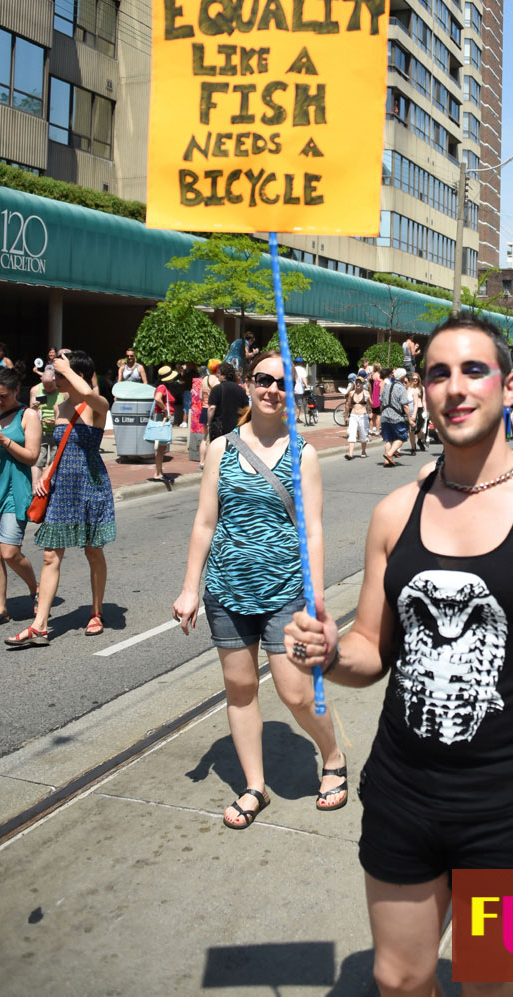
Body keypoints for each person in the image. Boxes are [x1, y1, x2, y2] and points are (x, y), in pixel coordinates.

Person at [286, 315, 513, 997]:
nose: (455, 388)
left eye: (473, 370)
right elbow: (372, 648)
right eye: (438, 373)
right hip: (405, 788)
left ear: (509, 386)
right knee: (398, 978)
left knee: (489, 980)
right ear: (422, 390)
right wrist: (330, 651)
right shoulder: (395, 512)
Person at [172, 351, 347, 828]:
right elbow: (206, 522)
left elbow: (312, 530)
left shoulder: (303, 453)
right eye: (263, 379)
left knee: (293, 691)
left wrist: (317, 595)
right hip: (227, 589)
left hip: (286, 589)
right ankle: (255, 786)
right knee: (241, 687)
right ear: (248, 384)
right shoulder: (221, 448)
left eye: (281, 383)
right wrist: (190, 588)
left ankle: (332, 756)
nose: (271, 389)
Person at [6, 351, 115, 646]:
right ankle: (39, 626)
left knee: (93, 551)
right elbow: (59, 448)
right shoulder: (59, 408)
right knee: (51, 554)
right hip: (62, 486)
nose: (55, 377)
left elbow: (89, 394)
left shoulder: (97, 404)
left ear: (75, 374)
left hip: (90, 485)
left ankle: (96, 611)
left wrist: (70, 368)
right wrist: (46, 474)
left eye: (61, 373)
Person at [0, 363, 41, 630]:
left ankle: (36, 588)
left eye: (4, 395)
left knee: (10, 552)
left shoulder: (28, 416)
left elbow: (32, 456)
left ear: (17, 390)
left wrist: (6, 442)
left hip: (15, 488)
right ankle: (1, 609)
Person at [148, 365, 177, 484]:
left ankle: (159, 472)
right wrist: (165, 409)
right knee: (161, 448)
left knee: (161, 447)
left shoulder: (162, 387)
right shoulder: (162, 387)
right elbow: (157, 398)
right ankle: (158, 473)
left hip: (162, 418)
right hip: (162, 419)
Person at [380, 367, 412, 468]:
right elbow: (405, 405)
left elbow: (381, 401)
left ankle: (387, 461)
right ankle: (389, 454)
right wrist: (410, 418)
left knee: (388, 438)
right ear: (403, 377)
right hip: (396, 416)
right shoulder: (401, 388)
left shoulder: (387, 386)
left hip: (385, 416)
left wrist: (382, 414)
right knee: (402, 436)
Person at [208, 362, 248, 442]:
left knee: (218, 452)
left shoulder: (217, 389)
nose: (217, 375)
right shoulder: (241, 390)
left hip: (220, 430)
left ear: (223, 375)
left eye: (218, 373)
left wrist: (209, 423)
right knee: (233, 452)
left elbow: (212, 408)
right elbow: (246, 409)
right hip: (236, 430)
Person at [344, 374, 370, 460]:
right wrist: (346, 416)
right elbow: (348, 405)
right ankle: (350, 454)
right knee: (351, 433)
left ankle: (363, 451)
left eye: (360, 382)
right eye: (357, 382)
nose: (358, 384)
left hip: (363, 415)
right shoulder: (351, 393)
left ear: (363, 384)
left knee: (363, 434)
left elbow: (372, 405)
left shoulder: (366, 393)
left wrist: (368, 400)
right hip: (353, 415)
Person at [369, 363, 382, 436]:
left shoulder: (371, 375)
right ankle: (377, 431)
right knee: (378, 416)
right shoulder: (378, 376)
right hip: (377, 396)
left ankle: (370, 430)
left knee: (373, 416)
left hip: (372, 395)